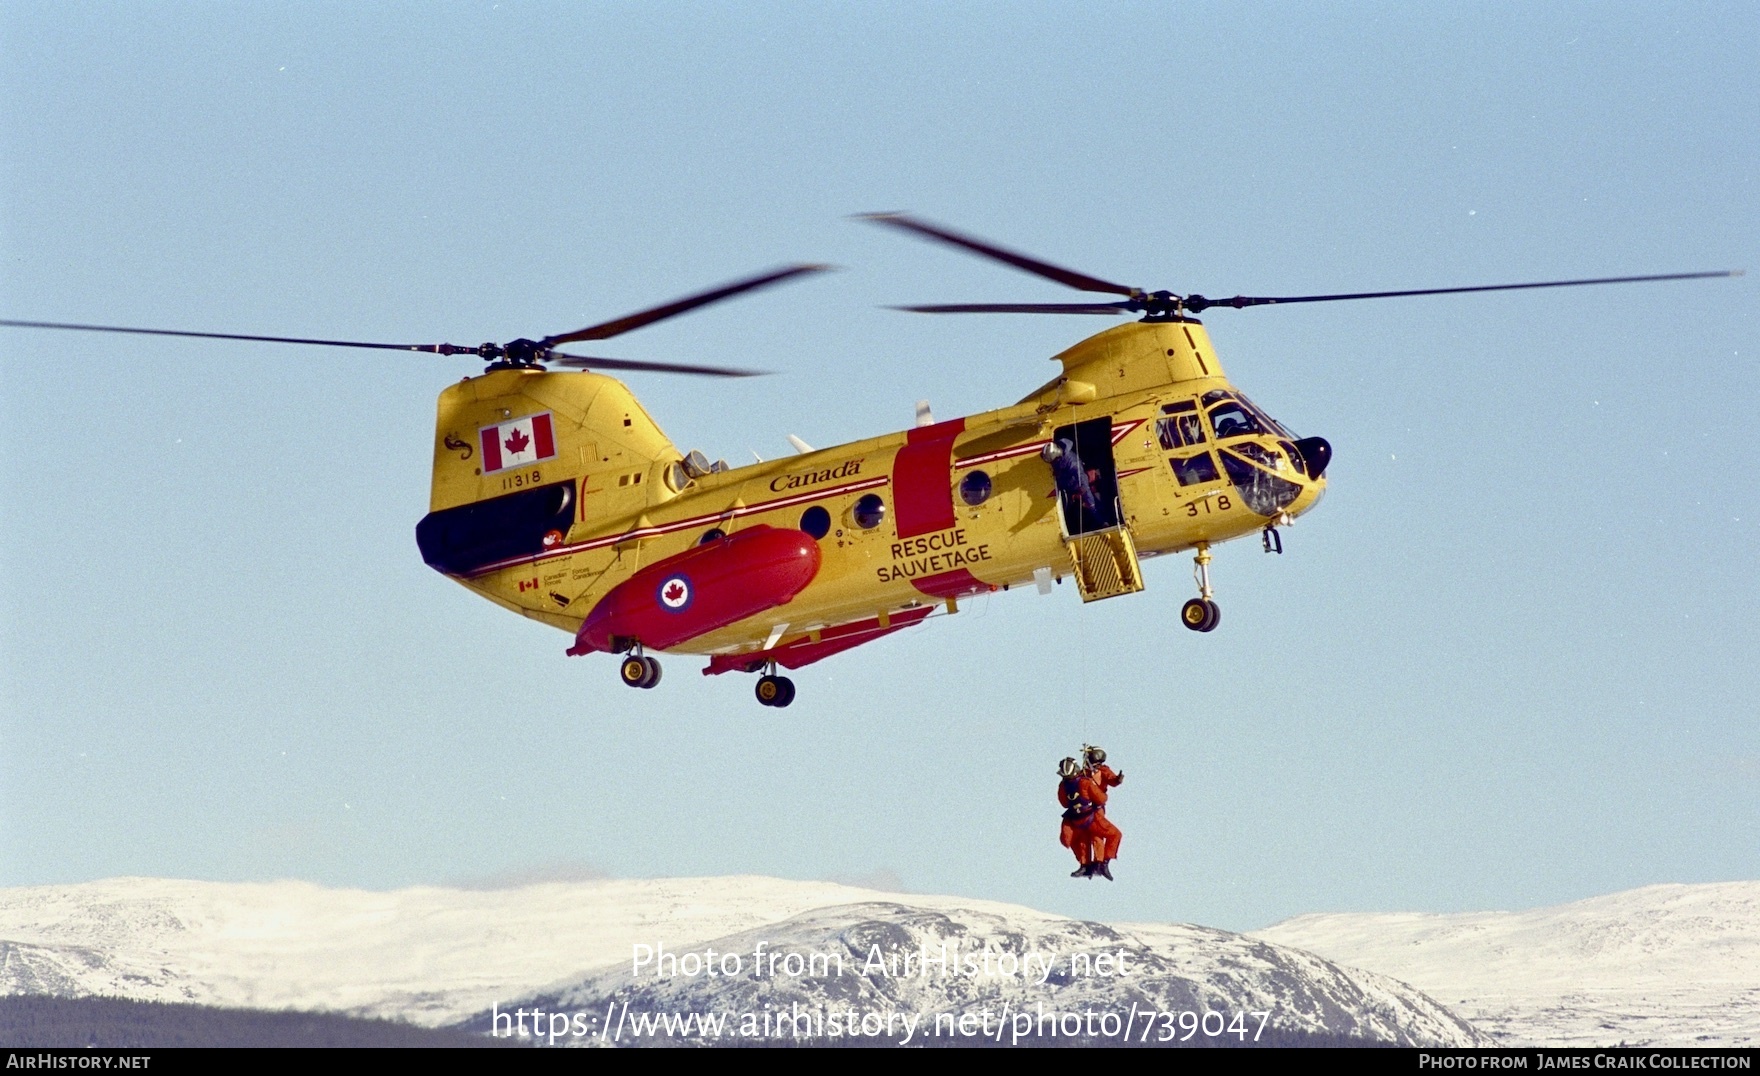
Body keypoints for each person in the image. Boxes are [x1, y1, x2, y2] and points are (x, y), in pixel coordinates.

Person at [1081, 745, 1123, 880]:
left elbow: (1111, 779)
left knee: (1098, 834)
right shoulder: (1085, 770)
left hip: (1096, 808)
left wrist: (1117, 779)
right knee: (1093, 836)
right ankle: (1096, 863)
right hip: (1086, 808)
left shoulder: (1103, 770)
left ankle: (1101, 863)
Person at [1057, 757, 1096, 877]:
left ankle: (1093, 864)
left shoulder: (1085, 781)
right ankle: (1085, 865)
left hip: (1087, 814)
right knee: (1068, 840)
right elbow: (1064, 802)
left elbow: (1099, 797)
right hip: (1074, 816)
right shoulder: (1063, 786)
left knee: (1091, 838)